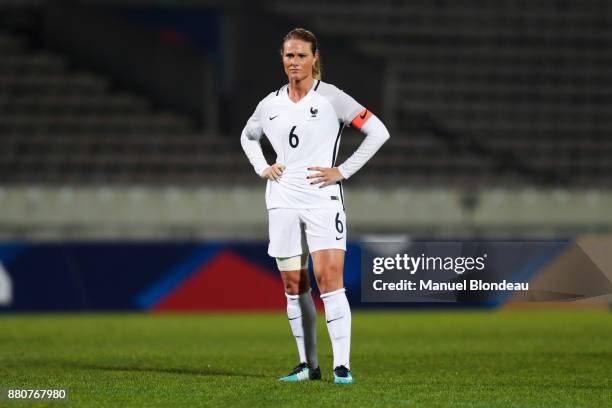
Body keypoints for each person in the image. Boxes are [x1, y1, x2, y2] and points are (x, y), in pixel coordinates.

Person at [240, 27, 390, 384]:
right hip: (282, 199)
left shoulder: (332, 98)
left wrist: (343, 170)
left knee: (329, 280)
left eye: (301, 55)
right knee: (293, 285)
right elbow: (248, 137)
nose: (294, 62)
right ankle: (307, 365)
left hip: (323, 197)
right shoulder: (269, 103)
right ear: (282, 58)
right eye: (289, 55)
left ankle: (342, 365)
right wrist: (263, 166)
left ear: (314, 59)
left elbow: (378, 132)